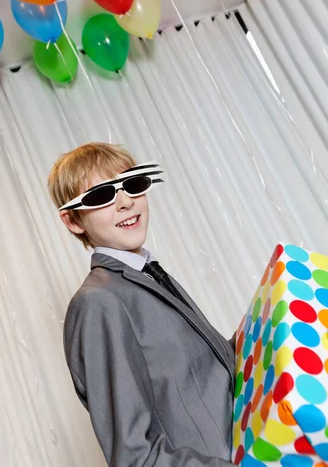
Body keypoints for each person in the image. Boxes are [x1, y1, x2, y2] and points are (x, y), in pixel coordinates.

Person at [48, 142, 235, 466]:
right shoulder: (99, 304)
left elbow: (197, 378)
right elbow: (136, 458)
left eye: (131, 183)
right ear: (73, 221)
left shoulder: (149, 275)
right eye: (101, 195)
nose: (125, 201)